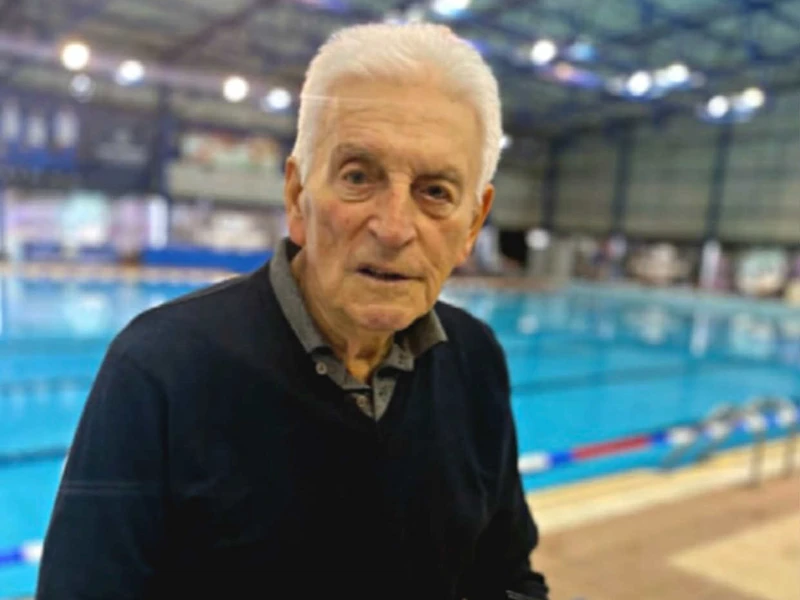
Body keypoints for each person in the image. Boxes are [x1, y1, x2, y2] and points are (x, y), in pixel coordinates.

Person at [37, 22, 549, 600]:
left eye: (435, 192)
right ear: (297, 196)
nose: (393, 228)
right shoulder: (160, 368)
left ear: (473, 224)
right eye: (358, 177)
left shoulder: (476, 360)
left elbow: (506, 577)